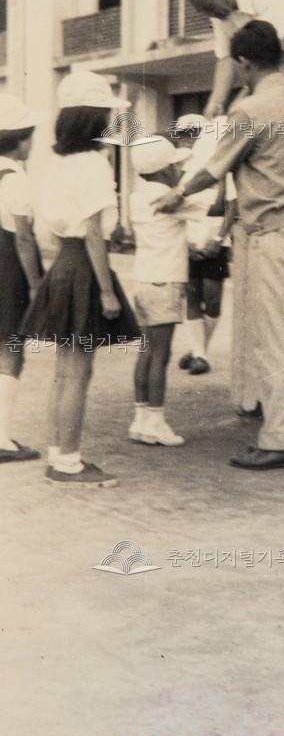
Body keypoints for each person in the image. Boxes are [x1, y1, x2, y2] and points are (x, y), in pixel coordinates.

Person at [155, 19, 284, 470]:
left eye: (235, 66)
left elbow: (212, 170)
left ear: (244, 63)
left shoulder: (251, 111)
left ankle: (280, 439)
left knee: (274, 338)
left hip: (273, 231)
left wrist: (176, 194)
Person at [22, 72, 140, 488]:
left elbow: (52, 230)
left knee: (64, 371)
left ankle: (59, 451)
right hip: (86, 268)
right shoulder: (93, 164)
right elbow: (93, 231)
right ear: (94, 119)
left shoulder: (57, 165)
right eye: (107, 112)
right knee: (78, 371)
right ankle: (68, 462)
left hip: (65, 266)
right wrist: (107, 290)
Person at [128, 136, 207, 446]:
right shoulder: (168, 197)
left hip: (144, 280)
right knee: (161, 355)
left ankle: (141, 417)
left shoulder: (137, 196)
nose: (180, 170)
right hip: (166, 282)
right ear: (163, 170)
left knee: (146, 352)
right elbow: (211, 207)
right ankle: (156, 421)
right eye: (175, 165)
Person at [171, 115, 237, 376]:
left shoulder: (223, 170)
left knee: (212, 300)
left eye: (193, 132)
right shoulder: (181, 172)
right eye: (184, 133)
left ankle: (200, 350)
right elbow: (175, 210)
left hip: (214, 242)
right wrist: (185, 244)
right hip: (188, 241)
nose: (188, 138)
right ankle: (200, 353)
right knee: (192, 295)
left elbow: (232, 208)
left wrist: (219, 240)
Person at [0, 95, 44, 464]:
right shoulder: (15, 179)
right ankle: (1, 438)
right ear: (19, 139)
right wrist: (34, 284)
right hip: (7, 270)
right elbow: (25, 238)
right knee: (11, 350)